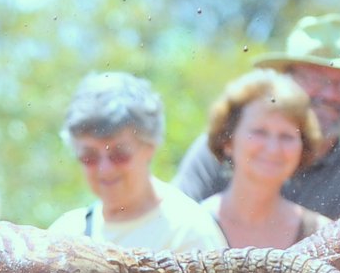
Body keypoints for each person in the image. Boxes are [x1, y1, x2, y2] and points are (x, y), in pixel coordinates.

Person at [174, 13, 340, 220]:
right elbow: (176, 230)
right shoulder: (224, 150)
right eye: (316, 78)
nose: (330, 94)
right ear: (282, 82)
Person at [47, 72, 224, 252]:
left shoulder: (188, 230)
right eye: (89, 157)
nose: (105, 169)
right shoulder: (66, 234)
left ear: (150, 146)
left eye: (119, 154)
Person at [199, 71, 330, 248]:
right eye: (259, 132)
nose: (273, 148)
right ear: (228, 140)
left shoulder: (322, 235)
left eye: (286, 136)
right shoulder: (190, 227)